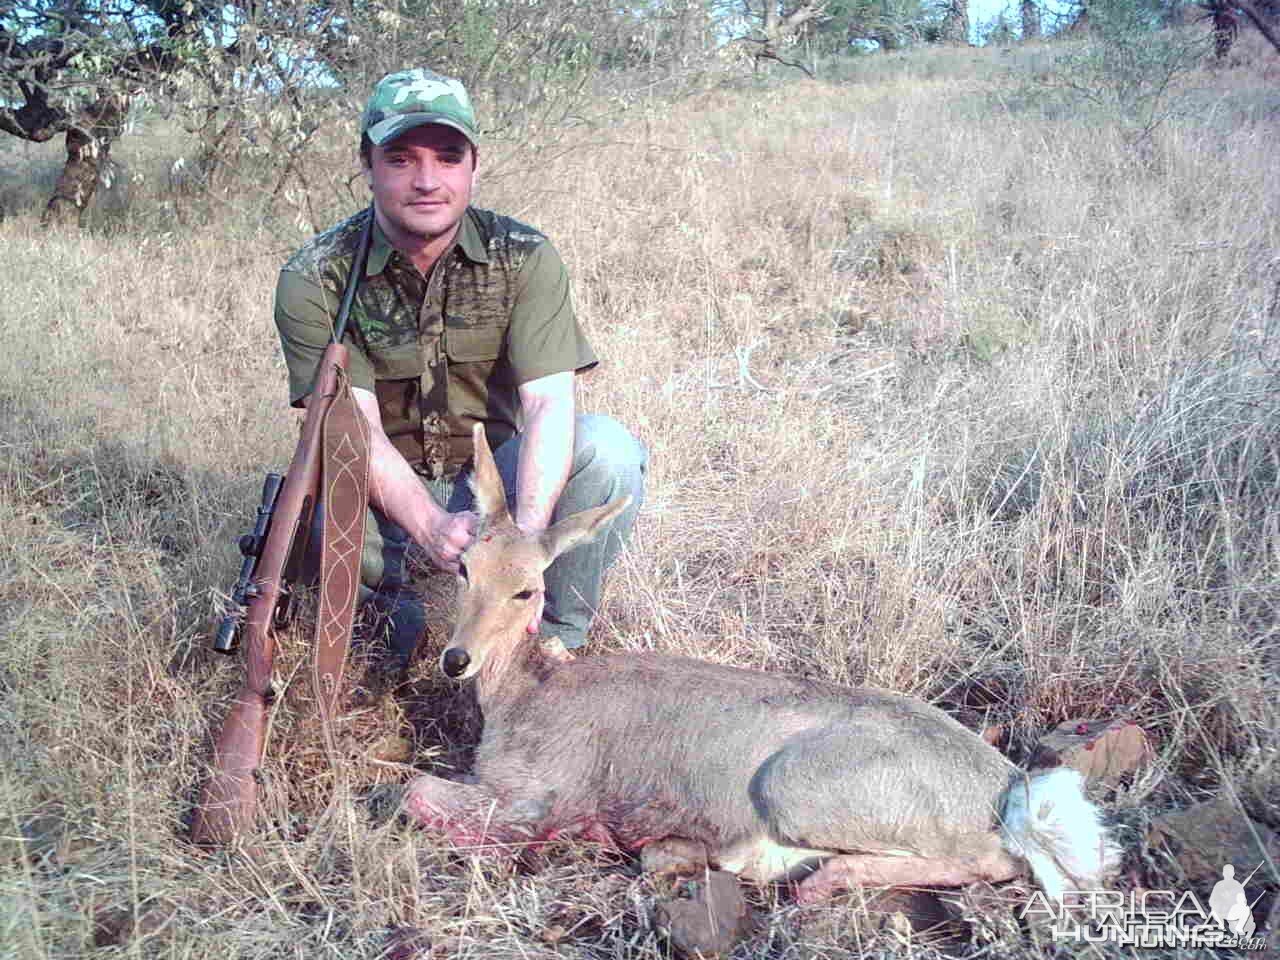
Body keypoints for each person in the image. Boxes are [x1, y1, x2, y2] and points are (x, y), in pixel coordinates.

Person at [273, 68, 647, 673]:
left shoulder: (524, 256)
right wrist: (427, 525)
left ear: (474, 165)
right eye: (400, 158)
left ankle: (554, 641)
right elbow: (355, 431)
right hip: (380, 481)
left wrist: (522, 541)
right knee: (323, 515)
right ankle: (388, 643)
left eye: (448, 158)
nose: (427, 181)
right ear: (367, 165)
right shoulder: (315, 276)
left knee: (606, 450)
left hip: (495, 482)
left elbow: (550, 403)